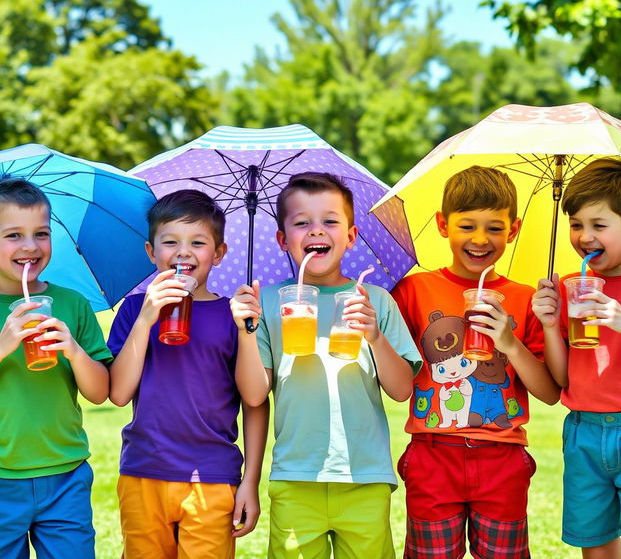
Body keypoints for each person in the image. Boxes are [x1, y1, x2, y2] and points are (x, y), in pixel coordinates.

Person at [231, 171, 422, 559]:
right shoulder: (267, 302)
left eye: (330, 221)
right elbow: (254, 394)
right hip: (295, 477)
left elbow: (403, 390)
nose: (316, 231)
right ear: (284, 239)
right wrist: (246, 332)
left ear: (350, 235)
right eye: (302, 223)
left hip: (365, 478)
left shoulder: (376, 301)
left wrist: (374, 335)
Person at [391, 165, 559, 559]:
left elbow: (550, 393)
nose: (480, 239)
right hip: (433, 453)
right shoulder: (414, 290)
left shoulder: (526, 298)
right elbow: (394, 373)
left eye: (495, 229)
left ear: (513, 230)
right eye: (467, 226)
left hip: (502, 457)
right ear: (443, 225)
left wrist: (510, 342)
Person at [108, 189, 268, 559]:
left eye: (197, 242)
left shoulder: (234, 315)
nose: (183, 252)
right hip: (143, 471)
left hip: (212, 477)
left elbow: (256, 398)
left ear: (219, 253)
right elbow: (118, 394)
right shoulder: (136, 309)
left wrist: (251, 482)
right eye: (170, 242)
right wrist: (147, 317)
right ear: (151, 252)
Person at [532, 158, 621, 559]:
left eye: (599, 225)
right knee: (595, 550)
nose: (584, 236)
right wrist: (547, 323)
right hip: (584, 433)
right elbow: (561, 379)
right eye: (576, 225)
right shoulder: (568, 287)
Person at [0, 176, 112, 559]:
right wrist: (4, 345)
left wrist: (75, 352)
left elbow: (100, 393)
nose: (30, 246)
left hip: (65, 474)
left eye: (41, 234)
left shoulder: (72, 304)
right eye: (13, 235)